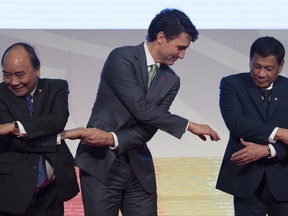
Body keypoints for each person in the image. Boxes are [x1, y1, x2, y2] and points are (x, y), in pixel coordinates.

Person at [62, 8, 220, 216]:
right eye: (180, 47)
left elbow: (149, 126)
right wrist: (189, 125)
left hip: (138, 169)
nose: (182, 56)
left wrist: (112, 139)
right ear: (161, 37)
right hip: (100, 164)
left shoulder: (171, 80)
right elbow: (141, 109)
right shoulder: (122, 58)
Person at [0, 42, 79, 216]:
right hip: (11, 192)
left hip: (51, 193)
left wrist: (15, 126)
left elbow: (57, 121)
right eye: (7, 75)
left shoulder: (57, 87)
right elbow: (11, 140)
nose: (13, 82)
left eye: (20, 75)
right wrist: (56, 139)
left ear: (37, 69)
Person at [216, 36, 288, 216]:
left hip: (284, 179)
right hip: (246, 180)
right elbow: (236, 123)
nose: (261, 74)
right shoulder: (232, 84)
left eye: (268, 68)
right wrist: (279, 133)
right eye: (256, 66)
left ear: (281, 65)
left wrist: (269, 150)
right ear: (249, 62)